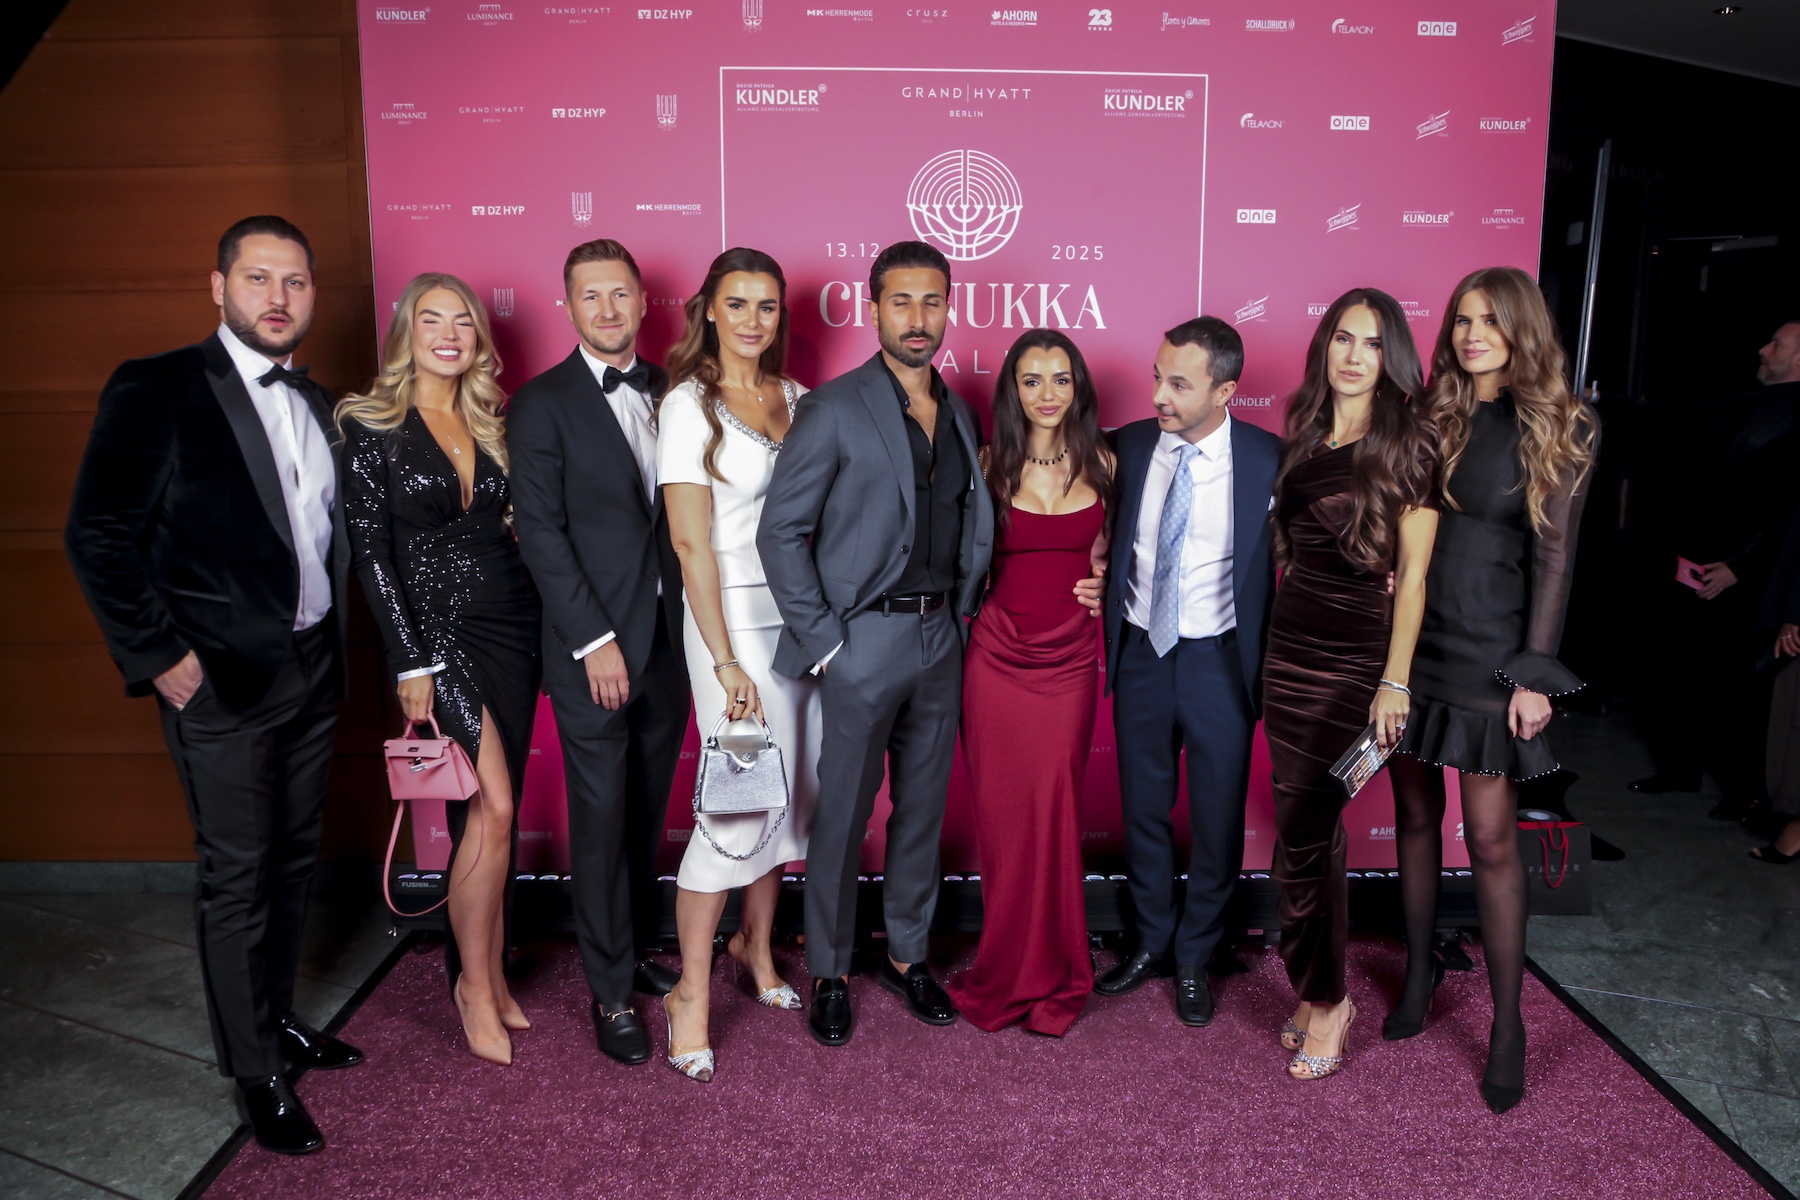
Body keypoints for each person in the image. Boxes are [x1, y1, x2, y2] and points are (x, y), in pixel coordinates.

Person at [63, 216, 362, 1155]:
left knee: (291, 861)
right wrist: (158, 655)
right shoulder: (157, 386)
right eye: (258, 278)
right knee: (237, 874)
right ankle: (254, 1071)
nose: (279, 297)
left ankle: (274, 1023)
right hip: (219, 682)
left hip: (312, 666)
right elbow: (96, 533)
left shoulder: (318, 402)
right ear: (218, 286)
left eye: (295, 281)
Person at [757, 240, 994, 1047]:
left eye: (932, 301)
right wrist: (828, 643)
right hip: (862, 639)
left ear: (948, 308)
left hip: (941, 637)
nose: (917, 318)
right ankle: (829, 968)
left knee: (922, 811)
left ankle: (907, 956)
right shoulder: (834, 407)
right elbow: (780, 532)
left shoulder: (959, 410)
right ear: (874, 310)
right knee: (844, 815)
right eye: (901, 302)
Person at [1386, 266, 1598, 1114]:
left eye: (1490, 321)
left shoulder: (1562, 423)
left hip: (1491, 651)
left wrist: (1534, 675)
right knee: (1413, 817)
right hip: (1414, 641)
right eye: (1462, 320)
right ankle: (1417, 975)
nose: (1472, 335)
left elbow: (1556, 559)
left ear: (1521, 329)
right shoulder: (1428, 411)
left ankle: (1508, 1026)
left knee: (1491, 838)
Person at [337, 273, 541, 1065]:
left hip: (512, 625)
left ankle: (491, 974)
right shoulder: (372, 426)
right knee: (493, 806)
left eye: (463, 321)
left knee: (498, 814)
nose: (450, 333)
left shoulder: (489, 420)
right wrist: (408, 660)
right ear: (407, 333)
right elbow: (371, 554)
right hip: (437, 638)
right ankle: (471, 988)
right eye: (433, 319)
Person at [509, 239, 689, 1067]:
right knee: (601, 816)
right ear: (569, 306)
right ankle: (609, 990)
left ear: (643, 302)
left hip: (671, 643)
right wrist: (595, 641)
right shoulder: (541, 404)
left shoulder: (674, 390)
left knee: (646, 809)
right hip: (594, 650)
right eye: (592, 296)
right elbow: (542, 534)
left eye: (621, 294)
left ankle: (635, 948)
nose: (609, 310)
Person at [1076, 317, 1281, 1028]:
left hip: (1220, 659)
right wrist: (1092, 568)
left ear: (1226, 391)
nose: (1159, 394)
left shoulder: (1268, 459)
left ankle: (1196, 954)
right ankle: (1151, 941)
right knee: (1143, 809)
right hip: (1142, 651)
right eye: (1158, 377)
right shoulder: (1128, 446)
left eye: (1180, 384)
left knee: (1218, 817)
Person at [1263, 289, 1438, 1080]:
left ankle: (1330, 1002)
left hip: (1358, 666)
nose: (1354, 355)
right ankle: (1315, 990)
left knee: (1309, 827)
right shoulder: (1303, 433)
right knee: (1302, 830)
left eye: (1371, 342)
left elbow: (1415, 578)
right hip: (1287, 654)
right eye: (1342, 338)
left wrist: (1394, 681)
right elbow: (1289, 548)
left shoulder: (1411, 445)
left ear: (1390, 356)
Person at [657, 249, 821, 1081]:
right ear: (710, 311)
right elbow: (691, 545)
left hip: (801, 624)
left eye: (767, 305)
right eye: (738, 303)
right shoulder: (688, 404)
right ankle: (688, 993)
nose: (753, 319)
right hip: (729, 626)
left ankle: (755, 949)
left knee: (790, 801)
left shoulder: (799, 398)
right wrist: (724, 660)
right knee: (736, 805)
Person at [948, 329, 1113, 1036]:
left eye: (1061, 379)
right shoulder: (988, 463)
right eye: (1032, 379)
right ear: (1012, 390)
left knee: (1055, 815)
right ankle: (1006, 969)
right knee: (1005, 824)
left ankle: (1056, 970)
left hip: (1069, 663)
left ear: (1079, 387)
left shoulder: (1106, 461)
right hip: (996, 661)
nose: (1048, 393)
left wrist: (1105, 581)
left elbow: (1120, 555)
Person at [1630, 319, 1800, 822]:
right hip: (1697, 563)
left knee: (1738, 687)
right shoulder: (1741, 404)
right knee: (1681, 669)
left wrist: (1741, 567)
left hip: (1755, 577)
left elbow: (1791, 518)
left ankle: (1747, 792)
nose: (1763, 349)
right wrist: (1599, 401)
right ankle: (1679, 769)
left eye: (1777, 344)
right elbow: (1672, 425)